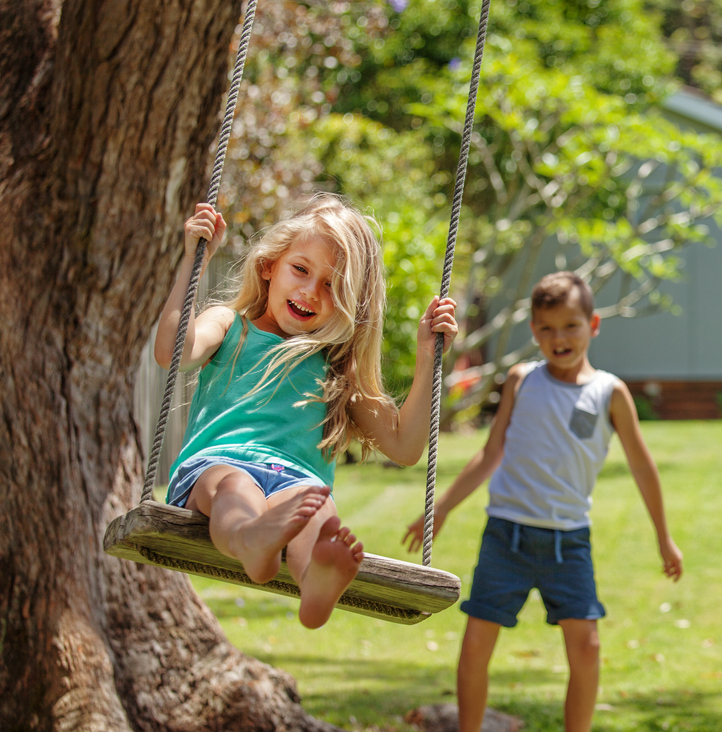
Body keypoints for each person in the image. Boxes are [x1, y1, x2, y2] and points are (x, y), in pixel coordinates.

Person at [157, 195, 457, 629]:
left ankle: (314, 583)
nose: (310, 292)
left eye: (332, 286)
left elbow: (405, 447)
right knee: (236, 488)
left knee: (314, 509)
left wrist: (428, 357)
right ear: (268, 265)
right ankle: (249, 539)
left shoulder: (337, 370)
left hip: (297, 481)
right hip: (218, 465)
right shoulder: (229, 326)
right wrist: (194, 263)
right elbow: (172, 350)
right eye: (300, 269)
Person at [403, 271, 683, 732]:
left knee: (587, 647)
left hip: (568, 543)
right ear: (534, 331)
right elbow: (490, 453)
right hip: (506, 537)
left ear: (593, 326)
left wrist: (664, 539)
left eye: (571, 326)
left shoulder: (610, 393)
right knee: (475, 644)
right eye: (547, 328)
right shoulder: (520, 380)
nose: (559, 338)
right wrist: (442, 508)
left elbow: (642, 466)